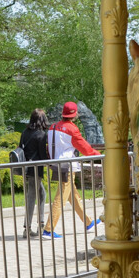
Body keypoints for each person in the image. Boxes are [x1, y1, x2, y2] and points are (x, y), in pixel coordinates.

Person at [41, 102, 101, 239]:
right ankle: (48, 230)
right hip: (67, 167)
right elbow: (86, 149)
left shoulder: (53, 127)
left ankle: (89, 222)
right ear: (75, 115)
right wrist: (101, 155)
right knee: (60, 198)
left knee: (73, 196)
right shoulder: (72, 129)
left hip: (56, 165)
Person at [19, 108, 50, 237]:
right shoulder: (41, 135)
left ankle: (40, 224)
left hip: (26, 168)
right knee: (31, 197)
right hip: (35, 169)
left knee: (42, 194)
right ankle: (27, 228)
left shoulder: (25, 132)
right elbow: (43, 155)